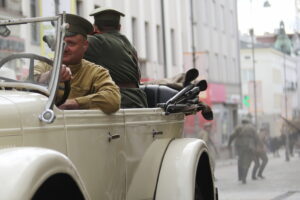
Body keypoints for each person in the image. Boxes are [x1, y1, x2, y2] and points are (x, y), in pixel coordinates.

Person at [34, 13, 121, 114]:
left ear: (85, 45)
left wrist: (73, 103)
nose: (65, 49)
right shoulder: (45, 65)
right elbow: (24, 86)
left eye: (71, 43)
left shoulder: (96, 72)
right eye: (60, 43)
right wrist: (50, 75)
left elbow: (113, 99)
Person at [84, 7, 148, 108]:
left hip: (120, 100)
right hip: (137, 98)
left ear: (95, 27)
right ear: (119, 27)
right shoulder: (128, 44)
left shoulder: (97, 42)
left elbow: (68, 46)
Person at [228, 119, 258, 184]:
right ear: (248, 122)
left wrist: (229, 144)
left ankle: (240, 177)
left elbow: (231, 136)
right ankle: (244, 178)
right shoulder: (251, 127)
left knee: (240, 161)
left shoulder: (238, 127)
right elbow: (257, 138)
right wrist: (256, 147)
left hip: (239, 146)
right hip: (249, 146)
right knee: (247, 162)